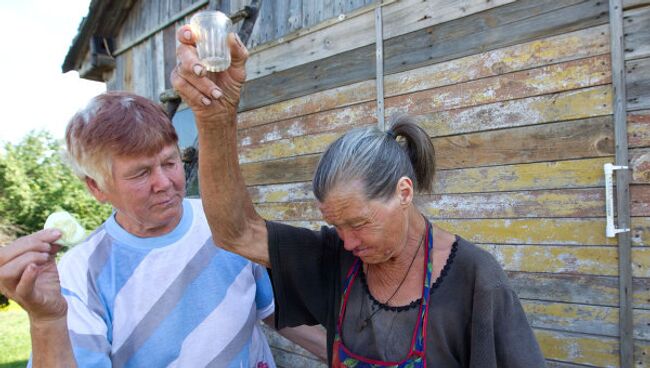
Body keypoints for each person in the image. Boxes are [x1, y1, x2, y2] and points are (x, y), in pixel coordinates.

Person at [171, 25, 547, 368]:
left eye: (359, 223)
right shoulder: (337, 260)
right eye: (337, 225)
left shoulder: (476, 279)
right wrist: (215, 119)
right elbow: (235, 232)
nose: (347, 241)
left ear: (404, 192)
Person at [0, 92, 326, 367]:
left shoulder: (223, 222)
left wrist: (354, 359)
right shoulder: (80, 273)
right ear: (96, 187)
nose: (164, 183)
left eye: (170, 163)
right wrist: (46, 321)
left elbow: (275, 312)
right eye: (141, 174)